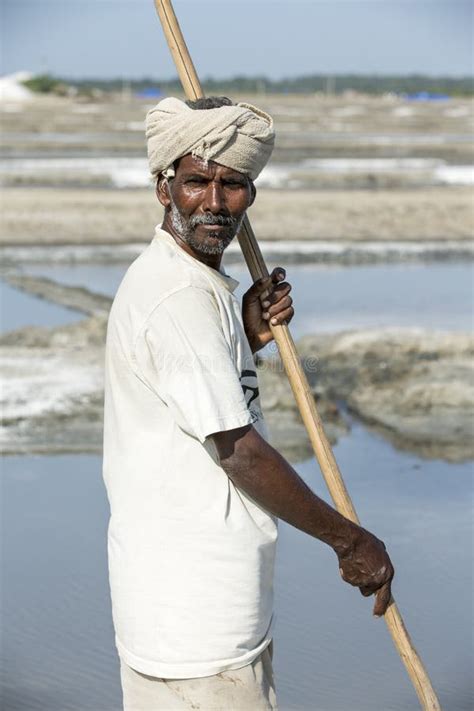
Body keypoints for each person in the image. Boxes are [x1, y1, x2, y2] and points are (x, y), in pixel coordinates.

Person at [102, 96, 394, 711]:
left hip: (203, 607)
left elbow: (199, 397)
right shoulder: (176, 298)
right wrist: (348, 541)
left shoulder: (194, 284)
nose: (213, 202)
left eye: (232, 185)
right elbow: (238, 452)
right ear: (163, 188)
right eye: (196, 183)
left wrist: (248, 338)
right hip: (192, 624)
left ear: (251, 196)